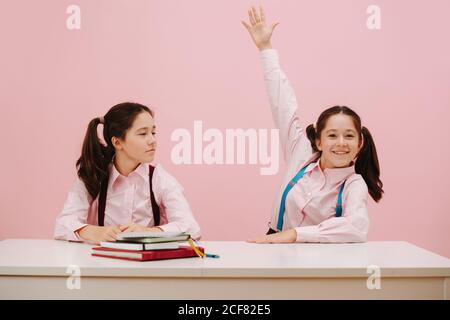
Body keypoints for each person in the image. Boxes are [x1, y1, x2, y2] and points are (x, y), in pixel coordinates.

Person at [242, 6, 383, 243]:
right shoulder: (301, 154)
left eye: (349, 136)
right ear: (318, 140)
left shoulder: (353, 184)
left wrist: (295, 234)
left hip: (321, 262)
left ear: (360, 143)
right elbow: (282, 103)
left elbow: (356, 228)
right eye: (332, 135)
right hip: (275, 248)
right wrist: (265, 49)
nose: (341, 143)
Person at [54, 102, 201, 244]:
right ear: (117, 142)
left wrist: (150, 232)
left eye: (153, 132)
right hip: (100, 265)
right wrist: (93, 232)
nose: (152, 140)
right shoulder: (94, 175)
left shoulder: (159, 178)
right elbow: (62, 225)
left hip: (147, 267)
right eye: (143, 133)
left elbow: (191, 228)